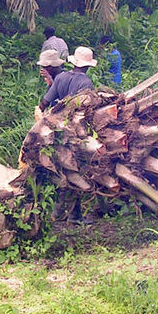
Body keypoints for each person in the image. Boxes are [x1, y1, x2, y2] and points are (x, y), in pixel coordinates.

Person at [38, 47, 97, 224]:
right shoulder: (86, 83)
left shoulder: (61, 78)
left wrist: (41, 118)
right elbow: (86, 111)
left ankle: (60, 212)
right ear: (88, 65)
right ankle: (73, 215)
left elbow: (44, 102)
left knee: (62, 170)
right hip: (74, 133)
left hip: (57, 131)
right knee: (75, 170)